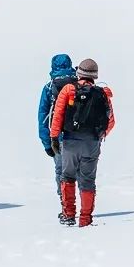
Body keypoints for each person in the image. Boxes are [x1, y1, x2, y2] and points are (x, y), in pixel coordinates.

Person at [50, 58, 115, 227]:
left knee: (67, 176)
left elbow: (57, 115)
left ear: (79, 73)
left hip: (70, 141)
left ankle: (68, 215)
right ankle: (85, 219)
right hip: (92, 144)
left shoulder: (69, 89)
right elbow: (111, 121)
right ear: (95, 75)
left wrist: (54, 137)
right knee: (87, 180)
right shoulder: (102, 93)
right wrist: (98, 136)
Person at [37, 53, 77, 206]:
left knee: (61, 171)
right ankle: (81, 203)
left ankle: (65, 203)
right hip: (77, 136)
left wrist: (47, 143)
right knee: (78, 171)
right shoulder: (77, 84)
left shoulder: (49, 87)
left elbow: (43, 116)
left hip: (57, 138)